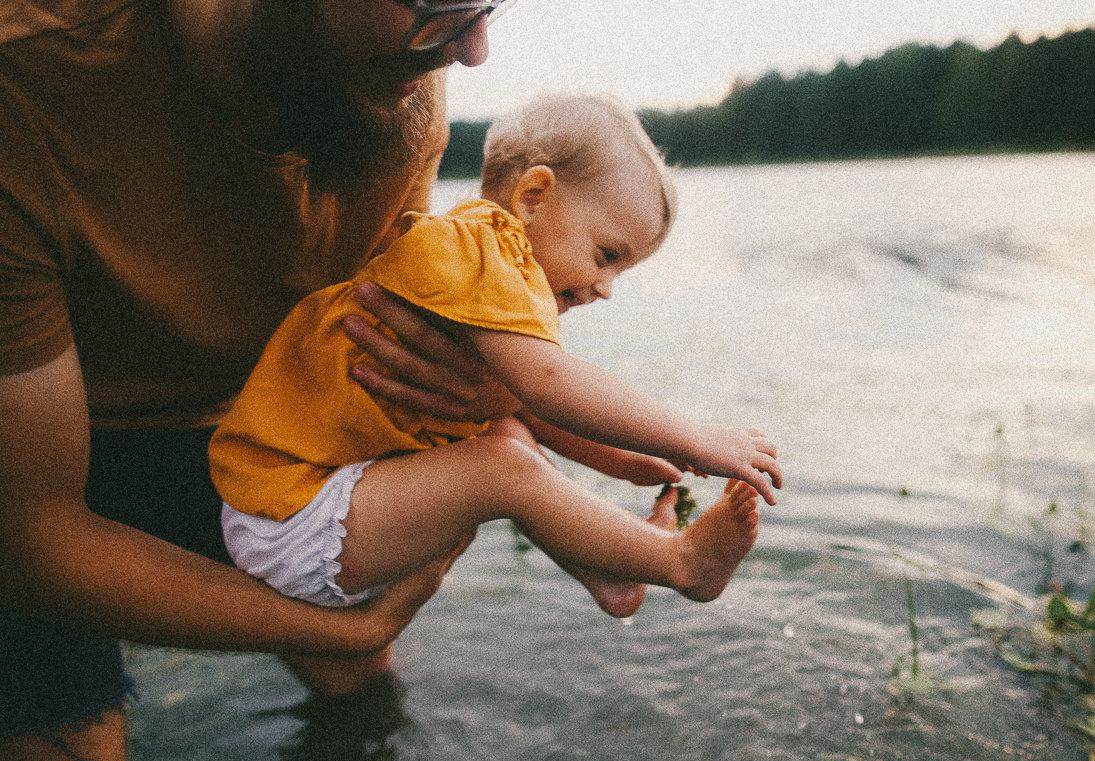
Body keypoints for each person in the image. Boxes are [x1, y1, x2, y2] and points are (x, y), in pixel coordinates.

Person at [0, 1, 529, 761]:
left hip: (231, 428)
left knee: (362, 691)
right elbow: (31, 536)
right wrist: (339, 623)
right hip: (25, 457)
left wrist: (488, 387)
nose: (475, 50)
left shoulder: (394, 82)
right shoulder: (30, 81)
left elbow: (391, 339)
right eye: (438, 5)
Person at [209, 94, 784, 692]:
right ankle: (682, 565)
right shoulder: (470, 251)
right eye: (605, 255)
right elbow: (550, 385)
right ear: (533, 198)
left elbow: (521, 404)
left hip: (334, 500)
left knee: (506, 435)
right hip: (287, 517)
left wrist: (622, 458)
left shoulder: (487, 267)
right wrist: (695, 435)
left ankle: (611, 570)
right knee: (503, 464)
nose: (606, 288)